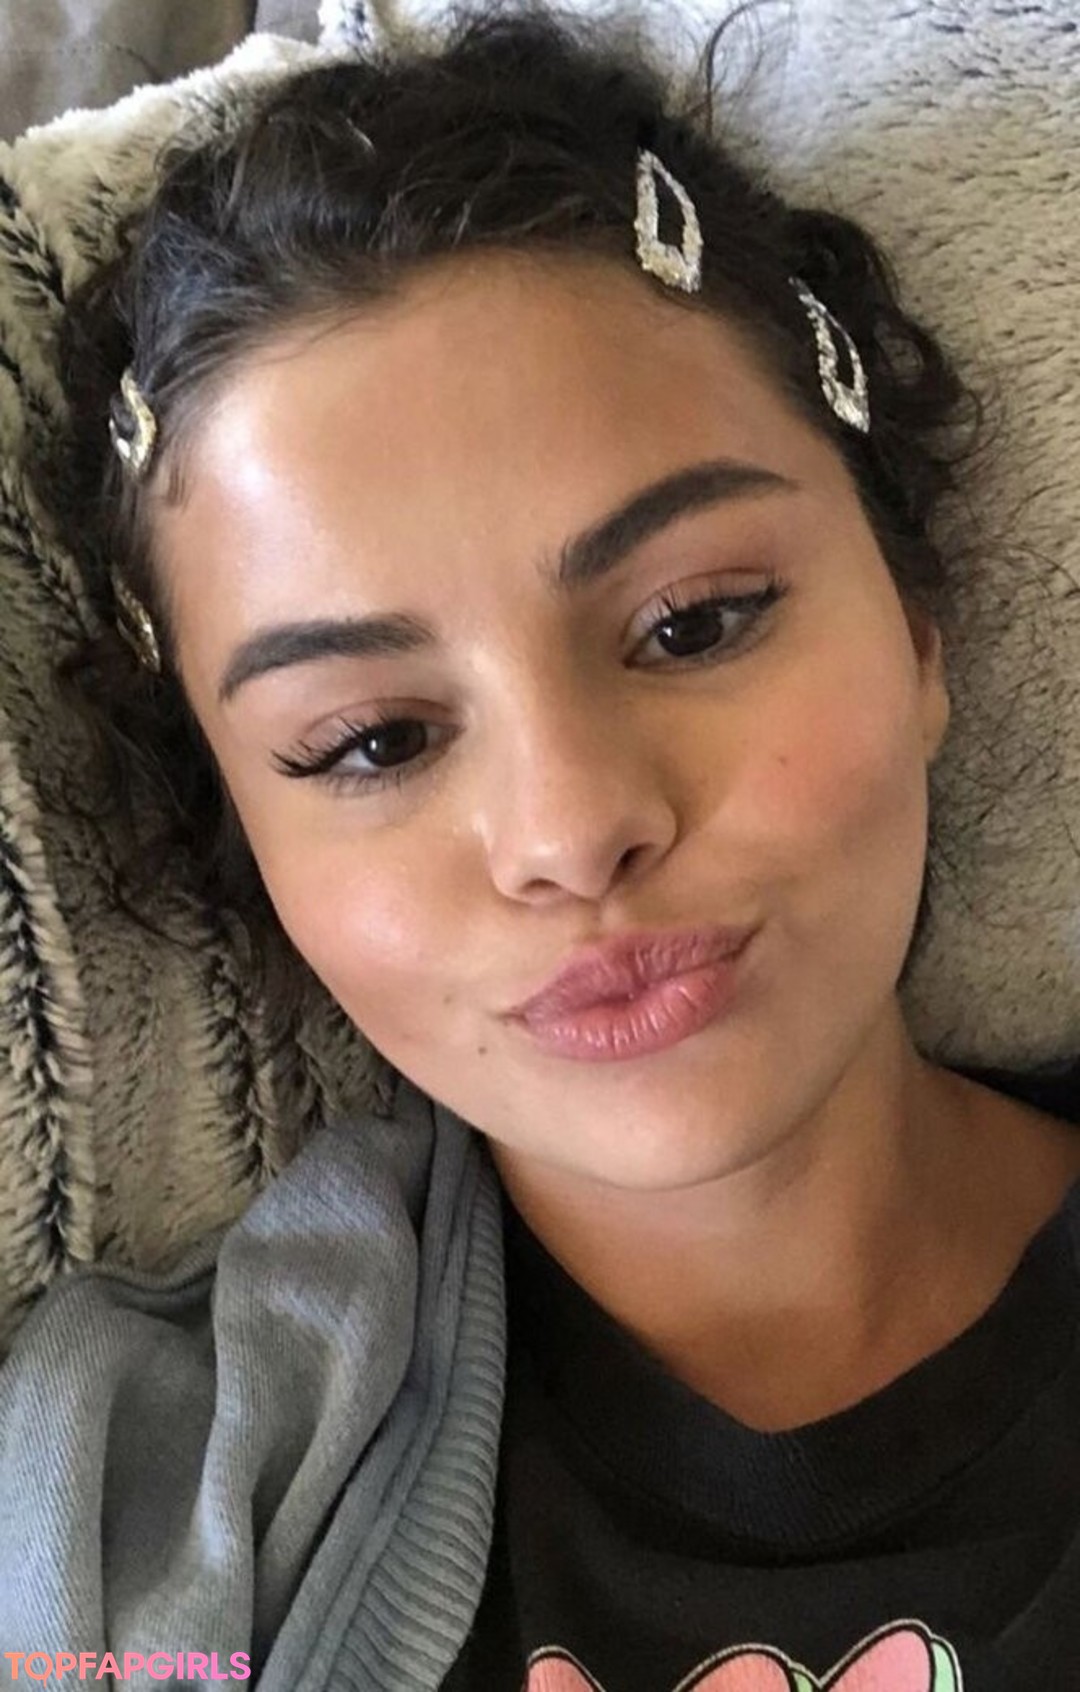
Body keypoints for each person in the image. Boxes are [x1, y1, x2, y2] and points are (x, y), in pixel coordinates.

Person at [7, 0, 1080, 1685]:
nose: (573, 831)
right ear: (249, 846)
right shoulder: (125, 1499)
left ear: (920, 631)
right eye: (373, 742)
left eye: (695, 622)